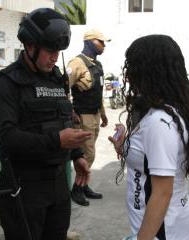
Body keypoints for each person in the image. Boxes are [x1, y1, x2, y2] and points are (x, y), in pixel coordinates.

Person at [0, 8, 92, 240]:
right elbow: (7, 139)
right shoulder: (6, 84)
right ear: (30, 46)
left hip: (57, 186)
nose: (55, 57)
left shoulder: (57, 79)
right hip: (23, 188)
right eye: (50, 50)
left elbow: (63, 119)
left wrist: (77, 155)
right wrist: (57, 140)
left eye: (58, 51)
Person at [109, 35, 189, 240]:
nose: (128, 75)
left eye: (132, 67)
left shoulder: (159, 122)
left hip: (163, 232)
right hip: (168, 227)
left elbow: (162, 193)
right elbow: (149, 159)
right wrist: (126, 146)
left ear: (148, 71)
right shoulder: (169, 111)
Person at [67, 29, 110, 206]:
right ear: (90, 42)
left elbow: (98, 92)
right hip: (82, 117)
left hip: (95, 115)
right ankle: (76, 190)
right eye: (101, 42)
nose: (104, 46)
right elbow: (62, 89)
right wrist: (70, 112)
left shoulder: (97, 65)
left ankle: (84, 186)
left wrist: (104, 113)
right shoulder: (76, 63)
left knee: (88, 154)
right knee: (88, 155)